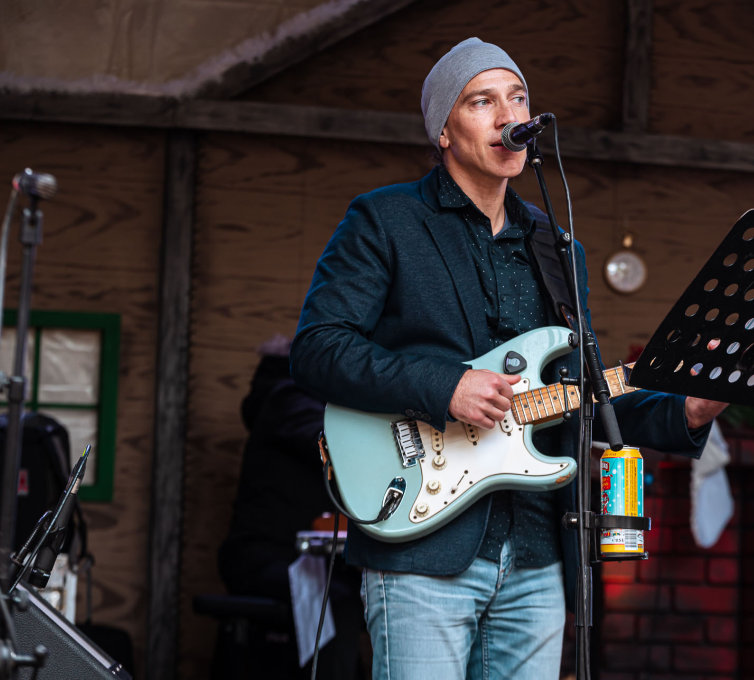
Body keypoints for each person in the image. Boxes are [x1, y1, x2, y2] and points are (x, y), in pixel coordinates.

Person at [290, 38, 727, 680]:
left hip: (538, 553)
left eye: (517, 98)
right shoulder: (386, 220)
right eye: (482, 100)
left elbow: (582, 395)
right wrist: (446, 386)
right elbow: (318, 349)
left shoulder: (558, 247)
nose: (507, 114)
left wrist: (686, 410)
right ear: (444, 129)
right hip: (420, 543)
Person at [219, 334, 364, 680]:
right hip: (263, 555)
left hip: (304, 557)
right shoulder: (286, 398)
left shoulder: (292, 399)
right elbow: (336, 446)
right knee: (337, 599)